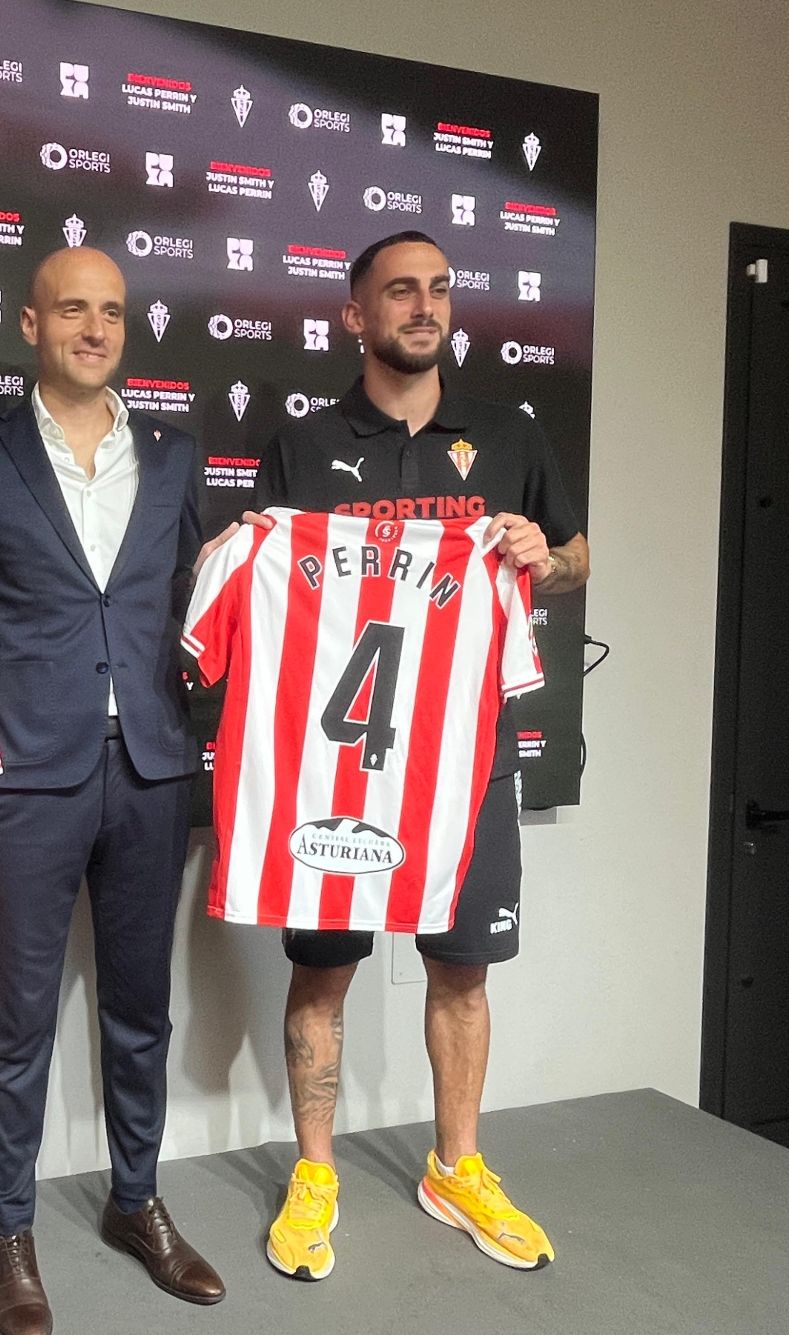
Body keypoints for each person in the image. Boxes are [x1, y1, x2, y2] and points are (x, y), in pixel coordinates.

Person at [252, 230, 589, 1279]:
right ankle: (316, 1175)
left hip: (471, 755)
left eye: (439, 289)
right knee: (324, 971)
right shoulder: (303, 443)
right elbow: (269, 594)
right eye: (400, 291)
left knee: (464, 969)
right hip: (339, 765)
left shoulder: (509, 432)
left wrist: (547, 554)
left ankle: (456, 1166)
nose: (423, 305)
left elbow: (577, 558)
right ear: (356, 315)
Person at [0, 247, 226, 1335]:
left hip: (152, 768)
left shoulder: (180, 457)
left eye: (110, 311)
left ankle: (134, 1201)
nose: (93, 328)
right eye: (72, 309)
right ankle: (10, 1232)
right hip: (25, 776)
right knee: (17, 1023)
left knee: (139, 1009)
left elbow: (207, 605)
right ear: (29, 323)